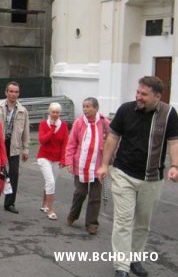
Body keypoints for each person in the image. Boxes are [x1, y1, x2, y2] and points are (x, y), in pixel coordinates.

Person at [97, 76, 178, 277]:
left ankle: (135, 259)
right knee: (123, 221)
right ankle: (121, 266)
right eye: (137, 92)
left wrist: (175, 165)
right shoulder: (126, 109)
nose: (138, 97)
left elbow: (174, 142)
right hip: (123, 173)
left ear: (157, 96)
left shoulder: (169, 114)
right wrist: (104, 165)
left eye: (144, 94)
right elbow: (112, 138)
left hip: (152, 178)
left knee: (142, 224)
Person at [65, 97, 109, 235]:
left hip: (97, 167)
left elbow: (113, 139)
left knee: (95, 196)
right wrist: (69, 161)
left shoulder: (104, 123)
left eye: (89, 106)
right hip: (81, 165)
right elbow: (71, 144)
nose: (85, 109)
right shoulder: (79, 123)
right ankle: (73, 215)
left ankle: (92, 223)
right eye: (84, 106)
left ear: (96, 108)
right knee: (80, 192)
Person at [0, 81, 30, 214]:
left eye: (16, 92)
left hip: (13, 145)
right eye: (11, 91)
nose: (13, 94)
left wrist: (25, 149)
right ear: (6, 92)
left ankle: (9, 203)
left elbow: (25, 131)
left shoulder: (22, 110)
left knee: (14, 174)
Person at [37, 102, 69, 220]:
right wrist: (52, 129)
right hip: (44, 156)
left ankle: (44, 204)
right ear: (49, 112)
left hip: (56, 158)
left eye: (57, 112)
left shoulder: (64, 125)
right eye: (53, 112)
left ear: (60, 113)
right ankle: (51, 210)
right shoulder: (43, 124)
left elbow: (65, 143)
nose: (55, 114)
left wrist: (63, 159)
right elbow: (42, 140)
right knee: (50, 181)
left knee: (51, 182)